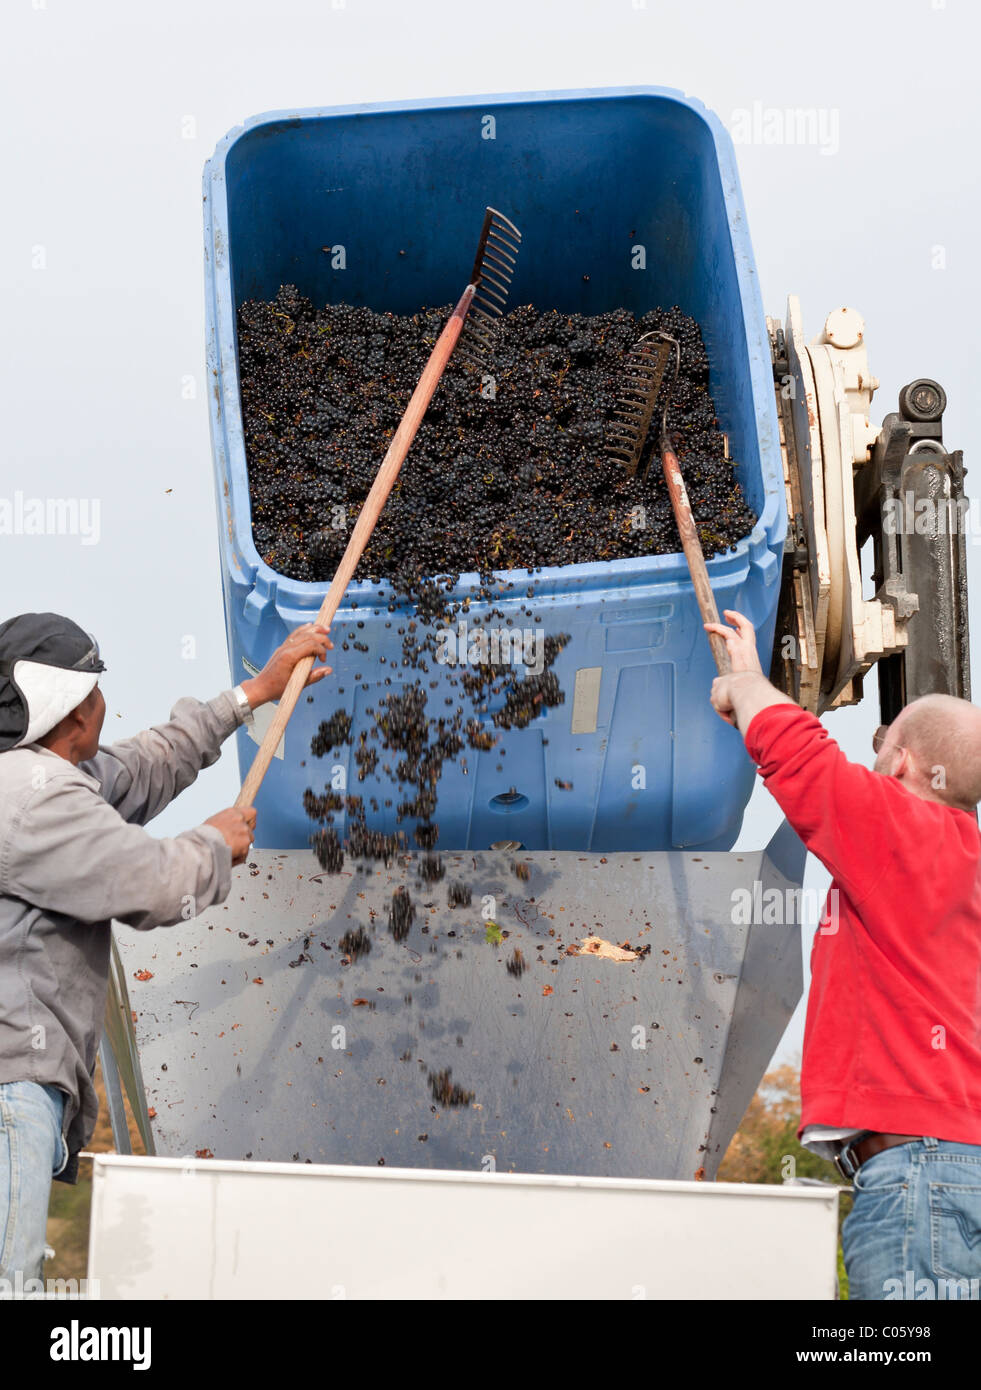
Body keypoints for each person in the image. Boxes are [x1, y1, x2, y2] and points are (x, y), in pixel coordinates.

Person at [0, 612, 331, 1287]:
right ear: (73, 711)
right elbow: (152, 884)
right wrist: (214, 842)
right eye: (95, 690)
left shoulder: (49, 779)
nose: (105, 703)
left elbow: (152, 761)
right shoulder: (32, 805)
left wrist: (253, 694)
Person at [706, 609, 981, 1301]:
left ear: (905, 762)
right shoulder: (963, 866)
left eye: (881, 744)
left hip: (921, 1178)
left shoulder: (903, 834)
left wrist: (744, 683)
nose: (872, 758)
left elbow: (803, 761)